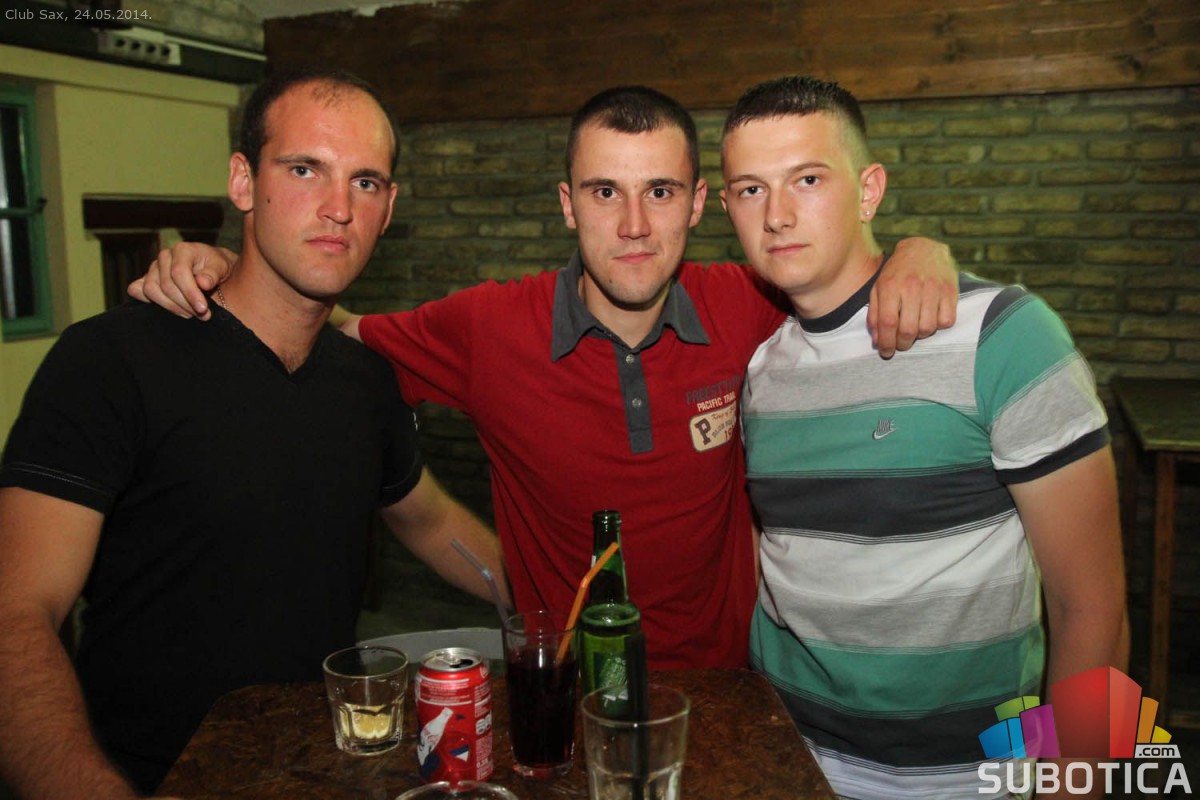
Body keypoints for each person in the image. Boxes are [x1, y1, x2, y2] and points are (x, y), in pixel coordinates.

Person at [131, 86, 960, 671]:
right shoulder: (489, 327)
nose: (633, 226)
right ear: (567, 204)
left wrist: (919, 251)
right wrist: (223, 269)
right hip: (563, 690)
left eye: (659, 192)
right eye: (604, 192)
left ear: (696, 203)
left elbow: (843, 277)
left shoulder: (749, 302)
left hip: (733, 685)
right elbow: (327, 322)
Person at [0, 67, 506, 799]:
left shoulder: (366, 380)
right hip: (148, 778)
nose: (338, 208)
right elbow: (15, 613)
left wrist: (555, 598)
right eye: (304, 169)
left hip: (321, 770)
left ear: (389, 208)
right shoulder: (110, 362)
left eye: (365, 182)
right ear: (243, 181)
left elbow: (428, 519)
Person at [721, 75, 1129, 798]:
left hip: (969, 775)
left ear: (868, 190)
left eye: (807, 179)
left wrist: (1073, 785)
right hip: (785, 757)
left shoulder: (1006, 337)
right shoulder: (760, 371)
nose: (777, 215)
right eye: (751, 189)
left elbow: (1093, 608)